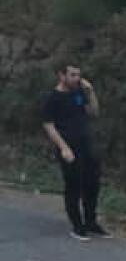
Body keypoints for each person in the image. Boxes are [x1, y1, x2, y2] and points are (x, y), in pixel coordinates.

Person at [41, 62, 106, 240]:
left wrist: (90, 92)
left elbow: (93, 112)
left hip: (87, 144)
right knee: (73, 186)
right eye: (72, 75)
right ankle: (77, 226)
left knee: (92, 184)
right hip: (68, 146)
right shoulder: (52, 98)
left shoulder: (78, 93)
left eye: (78, 75)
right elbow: (49, 125)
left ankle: (91, 221)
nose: (77, 78)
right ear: (62, 76)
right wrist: (64, 148)